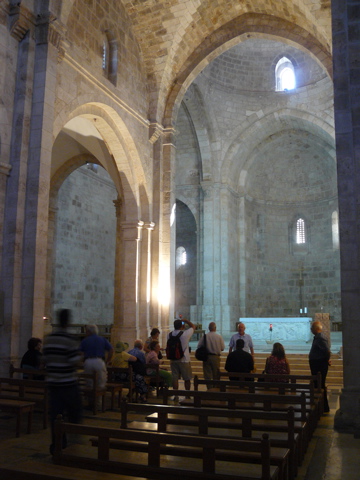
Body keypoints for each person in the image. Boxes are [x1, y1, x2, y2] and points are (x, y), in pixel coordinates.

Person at [42, 309, 82, 455]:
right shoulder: (70, 339)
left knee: (55, 416)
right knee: (75, 412)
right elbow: (74, 361)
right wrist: (79, 358)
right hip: (68, 383)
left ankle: (57, 444)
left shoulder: (48, 339)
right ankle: (73, 442)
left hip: (53, 384)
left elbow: (44, 360)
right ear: (68, 322)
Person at [80, 324, 113, 397]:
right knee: (100, 383)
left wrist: (82, 361)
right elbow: (111, 349)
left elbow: (80, 353)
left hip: (88, 361)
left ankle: (91, 403)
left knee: (89, 383)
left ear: (88, 331)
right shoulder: (102, 339)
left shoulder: (85, 340)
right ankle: (99, 404)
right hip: (99, 361)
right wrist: (108, 360)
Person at [167, 317, 195, 400]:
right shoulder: (185, 334)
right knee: (187, 378)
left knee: (175, 378)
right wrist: (186, 320)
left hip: (173, 359)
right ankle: (187, 394)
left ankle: (176, 395)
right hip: (184, 359)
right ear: (182, 326)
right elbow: (193, 327)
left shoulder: (169, 334)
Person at [309, 320, 331, 413]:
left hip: (319, 366)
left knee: (320, 385)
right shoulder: (317, 337)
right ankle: (321, 406)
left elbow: (326, 351)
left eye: (311, 328)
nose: (310, 329)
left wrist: (327, 359)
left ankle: (324, 407)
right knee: (318, 385)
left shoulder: (320, 338)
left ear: (316, 328)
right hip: (317, 365)